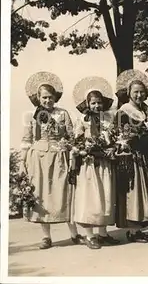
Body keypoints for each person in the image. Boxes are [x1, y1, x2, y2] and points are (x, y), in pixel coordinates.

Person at [20, 71, 83, 249]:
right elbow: (26, 141)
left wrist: (69, 148)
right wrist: (22, 164)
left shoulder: (62, 114)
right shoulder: (30, 116)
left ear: (56, 97)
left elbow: (71, 137)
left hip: (59, 157)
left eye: (51, 97)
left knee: (65, 193)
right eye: (44, 97)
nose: (48, 101)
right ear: (38, 98)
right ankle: (46, 237)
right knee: (41, 195)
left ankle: (74, 234)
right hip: (38, 159)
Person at [70, 77, 120, 249]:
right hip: (89, 164)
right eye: (93, 103)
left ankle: (103, 233)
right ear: (87, 104)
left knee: (105, 197)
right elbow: (76, 140)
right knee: (91, 198)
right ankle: (89, 235)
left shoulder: (108, 119)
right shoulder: (82, 120)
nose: (96, 106)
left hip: (105, 162)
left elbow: (114, 138)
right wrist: (84, 149)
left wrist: (112, 147)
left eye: (99, 103)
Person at [114, 71, 148, 243]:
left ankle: (139, 229)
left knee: (144, 192)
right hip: (132, 156)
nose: (139, 95)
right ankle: (133, 231)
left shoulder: (146, 110)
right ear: (129, 93)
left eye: (142, 92)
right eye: (136, 92)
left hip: (146, 155)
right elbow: (122, 135)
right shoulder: (124, 111)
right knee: (134, 193)